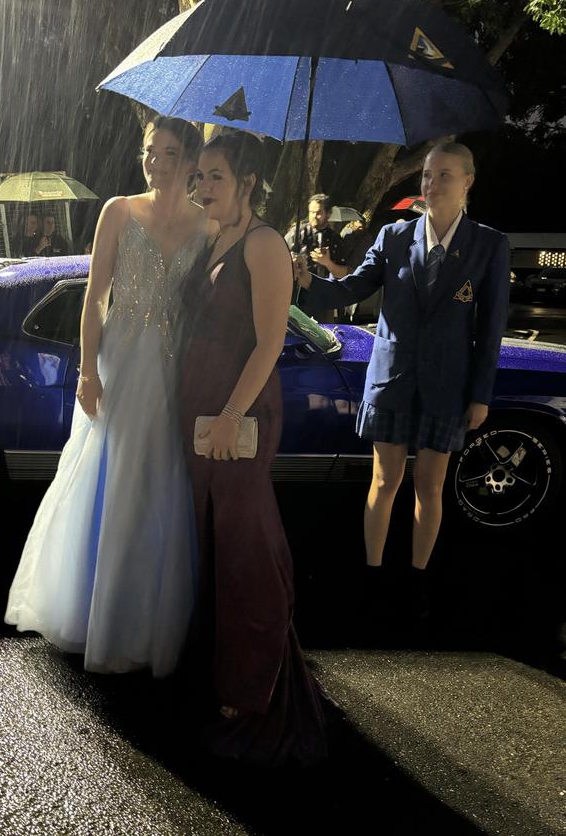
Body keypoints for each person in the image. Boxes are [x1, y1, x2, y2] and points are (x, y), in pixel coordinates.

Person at [5, 116, 210, 677]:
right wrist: (89, 372)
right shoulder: (118, 210)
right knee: (110, 473)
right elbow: (95, 297)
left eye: (169, 153)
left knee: (159, 479)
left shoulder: (209, 225)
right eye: (150, 151)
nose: (155, 162)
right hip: (120, 365)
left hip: (174, 370)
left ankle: (146, 616)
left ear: (193, 162)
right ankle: (95, 611)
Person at [294, 143, 509, 621]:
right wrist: (308, 282)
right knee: (384, 481)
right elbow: (352, 288)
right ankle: (372, 576)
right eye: (428, 175)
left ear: (468, 182)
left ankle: (416, 580)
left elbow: (490, 328)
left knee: (430, 487)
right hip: (391, 379)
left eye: (444, 175)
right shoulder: (394, 236)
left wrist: (480, 395)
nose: (431, 184)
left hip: (447, 386)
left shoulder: (488, 245)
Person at [179, 130, 327, 766]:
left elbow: (269, 344)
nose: (203, 186)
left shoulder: (265, 244)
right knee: (212, 544)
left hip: (237, 414)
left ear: (248, 182)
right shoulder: (214, 236)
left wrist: (229, 414)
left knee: (247, 549)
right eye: (201, 176)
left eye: (215, 175)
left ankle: (257, 687)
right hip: (200, 412)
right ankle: (222, 670)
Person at [286, 193, 348, 322]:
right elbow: (278, 258)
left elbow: (344, 273)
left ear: (328, 213)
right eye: (311, 212)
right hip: (296, 295)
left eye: (318, 212)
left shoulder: (335, 239)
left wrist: (327, 263)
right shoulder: (297, 233)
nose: (314, 216)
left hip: (324, 298)